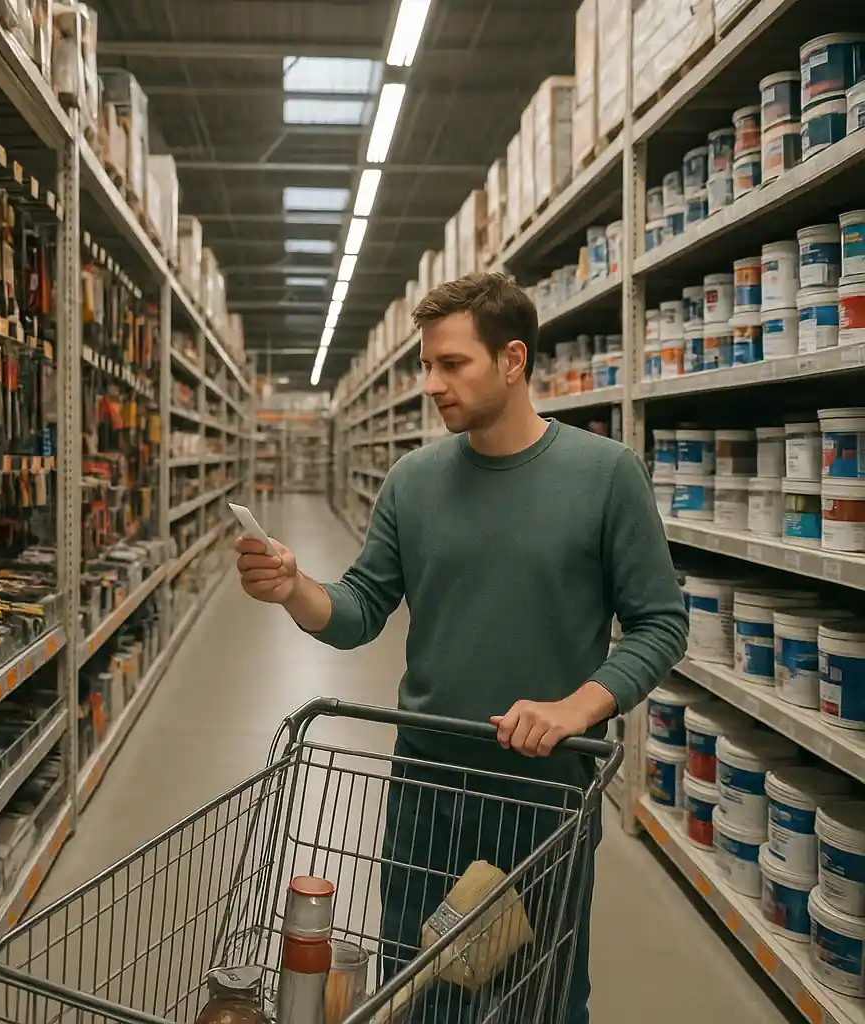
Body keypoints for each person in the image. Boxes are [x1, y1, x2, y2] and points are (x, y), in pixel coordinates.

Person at [235, 272, 688, 1024]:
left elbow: (661, 625)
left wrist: (578, 706)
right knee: (419, 990)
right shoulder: (413, 481)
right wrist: (292, 587)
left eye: (453, 364)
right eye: (427, 366)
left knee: (535, 994)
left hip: (542, 794)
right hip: (427, 784)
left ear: (513, 360)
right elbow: (357, 611)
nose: (431, 384)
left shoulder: (606, 477)